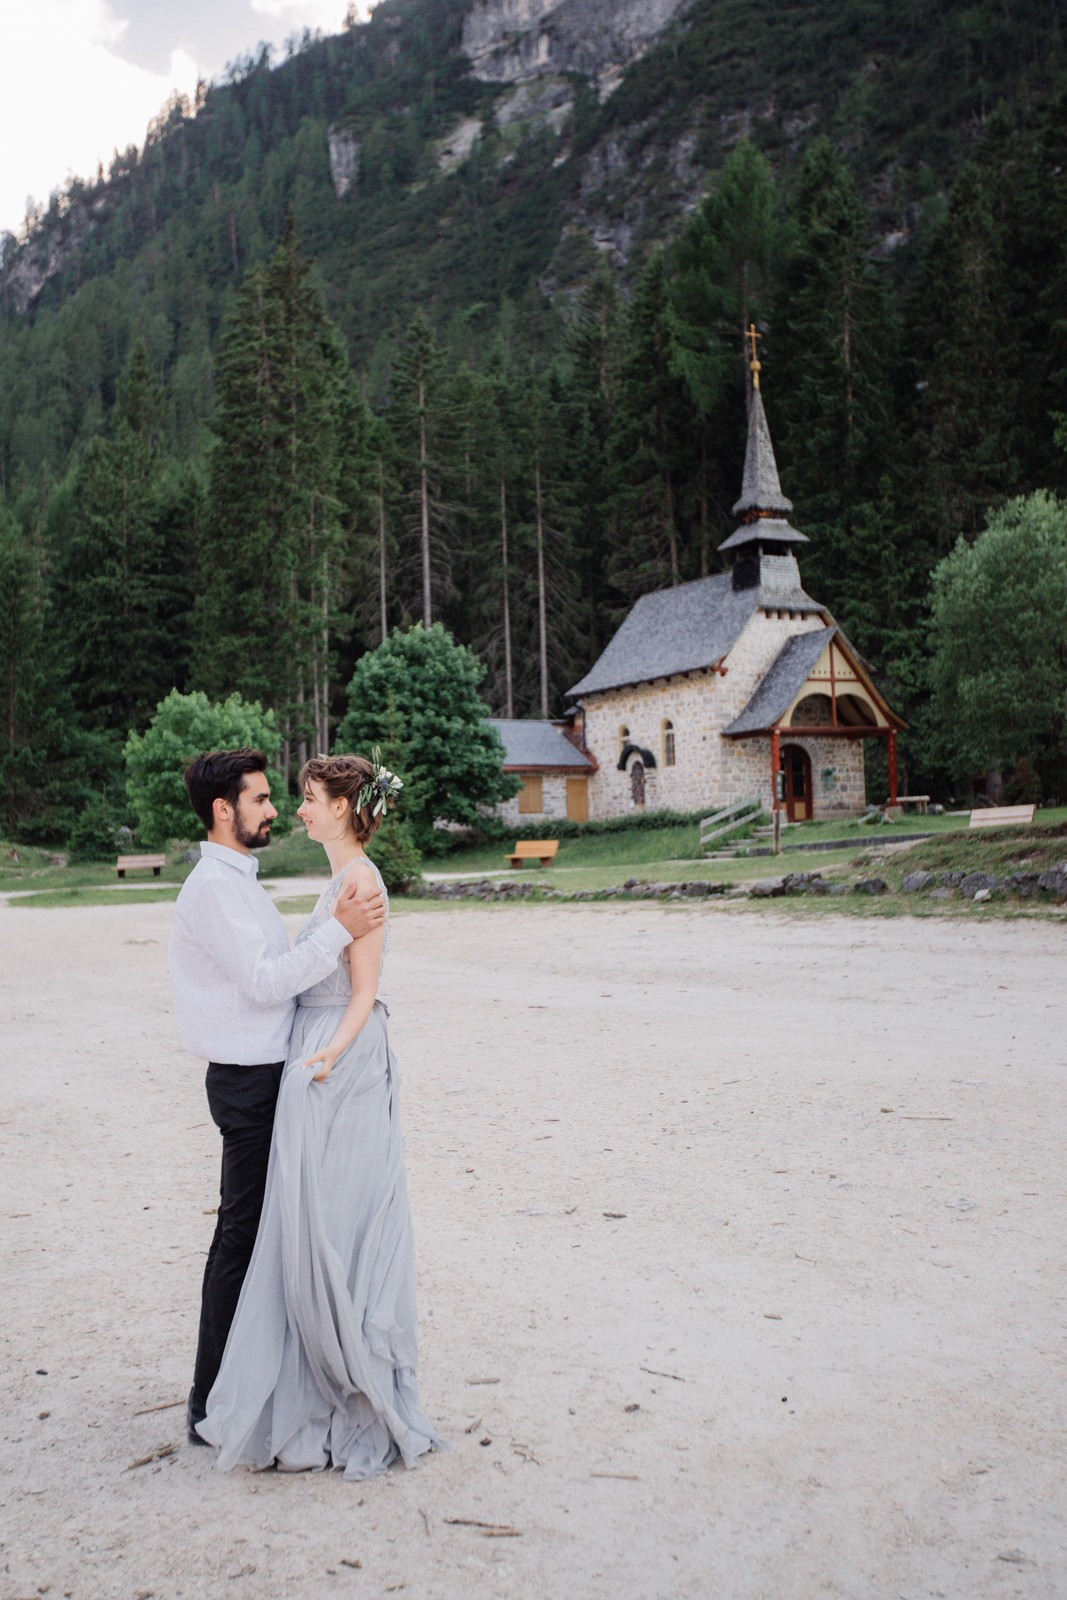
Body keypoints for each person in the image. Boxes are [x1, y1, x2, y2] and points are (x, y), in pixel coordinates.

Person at [195, 752, 441, 1479]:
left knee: (335, 1225)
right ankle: (302, 1377)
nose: (296, 809)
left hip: (335, 1061)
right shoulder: (338, 880)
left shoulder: (360, 880)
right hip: (311, 1054)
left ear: (342, 808)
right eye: (290, 798)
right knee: (304, 1226)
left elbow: (363, 993)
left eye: (306, 798)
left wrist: (328, 1055)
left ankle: (347, 1382)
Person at [169, 748, 386, 1448]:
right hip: (247, 1080)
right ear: (222, 811)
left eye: (278, 797)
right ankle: (211, 1402)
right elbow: (266, 984)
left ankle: (251, 1382)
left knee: (268, 1237)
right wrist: (337, 930)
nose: (275, 810)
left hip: (273, 1072)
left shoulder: (240, 880)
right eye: (261, 799)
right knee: (243, 1237)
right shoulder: (212, 888)